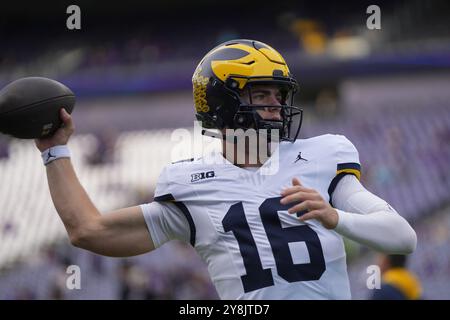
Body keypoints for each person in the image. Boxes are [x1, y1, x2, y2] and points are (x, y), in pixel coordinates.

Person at [35, 39, 417, 299]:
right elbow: (88, 230)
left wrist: (336, 218)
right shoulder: (189, 184)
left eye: (279, 95)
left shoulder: (322, 155)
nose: (276, 105)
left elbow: (402, 237)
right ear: (222, 100)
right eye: (261, 94)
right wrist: (55, 151)